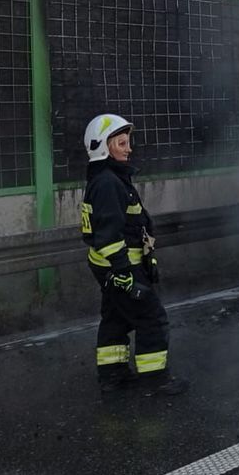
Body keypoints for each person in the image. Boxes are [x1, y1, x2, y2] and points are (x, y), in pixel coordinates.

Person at [81, 113, 187, 396]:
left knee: (116, 319)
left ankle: (113, 376)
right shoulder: (107, 183)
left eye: (127, 142)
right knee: (152, 318)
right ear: (105, 147)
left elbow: (128, 225)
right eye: (122, 143)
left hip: (113, 266)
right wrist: (125, 273)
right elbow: (108, 235)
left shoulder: (110, 179)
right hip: (119, 266)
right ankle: (155, 380)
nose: (129, 149)